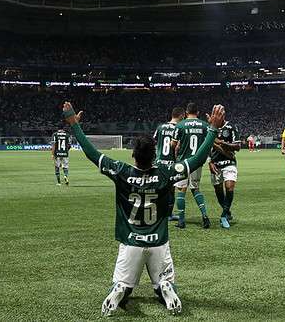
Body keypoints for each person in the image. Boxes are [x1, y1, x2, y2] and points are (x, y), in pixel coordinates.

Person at [61, 101, 223, 316]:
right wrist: (212, 130)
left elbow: (92, 153)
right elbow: (198, 159)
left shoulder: (122, 171)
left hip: (131, 244)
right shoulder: (166, 173)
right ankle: (165, 286)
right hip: (158, 244)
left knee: (124, 285)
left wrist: (74, 125)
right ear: (154, 155)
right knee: (164, 282)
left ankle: (120, 288)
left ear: (133, 155)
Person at [171, 103, 211, 229]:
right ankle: (205, 216)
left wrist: (177, 150)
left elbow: (173, 144)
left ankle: (181, 220)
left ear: (186, 112)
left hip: (183, 162)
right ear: (197, 112)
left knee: (181, 190)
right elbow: (208, 145)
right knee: (195, 189)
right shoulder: (204, 125)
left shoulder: (180, 125)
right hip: (197, 162)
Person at [153, 107, 184, 221]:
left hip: (159, 162)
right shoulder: (179, 128)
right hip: (171, 163)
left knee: (158, 189)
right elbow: (178, 147)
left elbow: (153, 142)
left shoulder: (160, 127)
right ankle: (168, 214)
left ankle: (156, 212)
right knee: (171, 190)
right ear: (181, 116)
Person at [209, 116, 241, 229]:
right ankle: (227, 211)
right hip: (215, 164)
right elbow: (207, 146)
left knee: (229, 187)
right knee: (218, 189)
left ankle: (223, 215)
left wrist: (222, 143)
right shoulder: (211, 129)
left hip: (229, 162)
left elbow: (237, 146)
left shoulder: (231, 127)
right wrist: (210, 161)